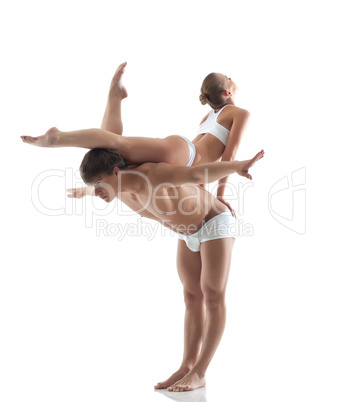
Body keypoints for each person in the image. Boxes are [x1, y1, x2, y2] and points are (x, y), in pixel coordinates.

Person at [21, 62, 250, 216]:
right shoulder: (239, 113)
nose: (232, 79)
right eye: (229, 78)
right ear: (228, 93)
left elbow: (213, 155)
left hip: (184, 152)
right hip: (185, 155)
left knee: (115, 157)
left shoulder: (209, 115)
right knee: (120, 145)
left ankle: (114, 98)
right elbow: (228, 158)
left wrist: (204, 189)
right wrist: (221, 197)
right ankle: (57, 138)